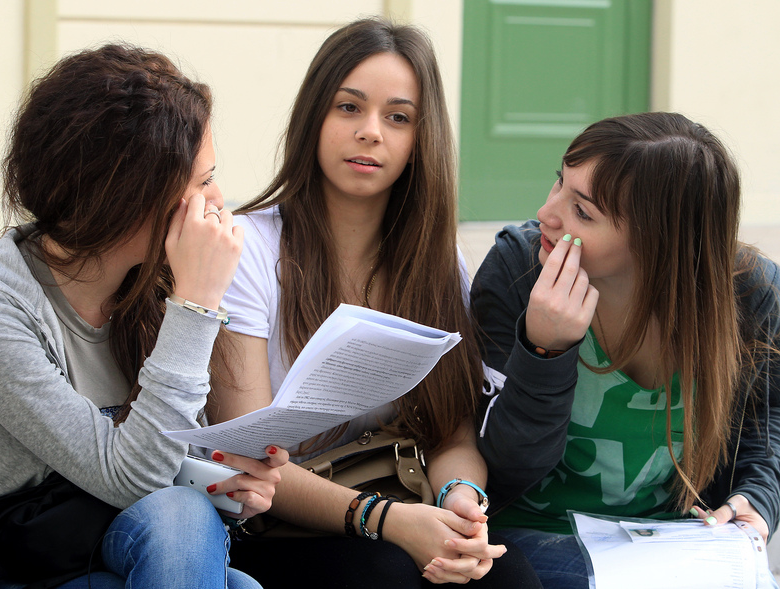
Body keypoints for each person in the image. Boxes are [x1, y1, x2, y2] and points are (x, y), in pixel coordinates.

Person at [0, 44, 288, 589]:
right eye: (202, 181)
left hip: (103, 533)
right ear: (128, 196)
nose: (218, 202)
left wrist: (230, 479)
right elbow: (136, 479)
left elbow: (165, 460)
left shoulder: (147, 283)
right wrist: (195, 305)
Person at [210, 17, 542, 588]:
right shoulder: (250, 250)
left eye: (398, 117)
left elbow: (451, 433)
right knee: (383, 575)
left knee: (508, 580)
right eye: (348, 107)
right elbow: (244, 453)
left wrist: (461, 501)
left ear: (420, 139)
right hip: (272, 524)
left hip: (396, 504)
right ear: (314, 115)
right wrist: (387, 520)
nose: (371, 132)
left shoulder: (438, 262)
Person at [471, 112, 780, 588]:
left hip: (675, 538)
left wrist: (758, 494)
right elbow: (502, 465)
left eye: (583, 212)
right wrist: (544, 350)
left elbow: (774, 408)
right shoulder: (518, 271)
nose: (547, 213)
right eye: (558, 183)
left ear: (659, 242)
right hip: (530, 534)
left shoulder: (749, 293)